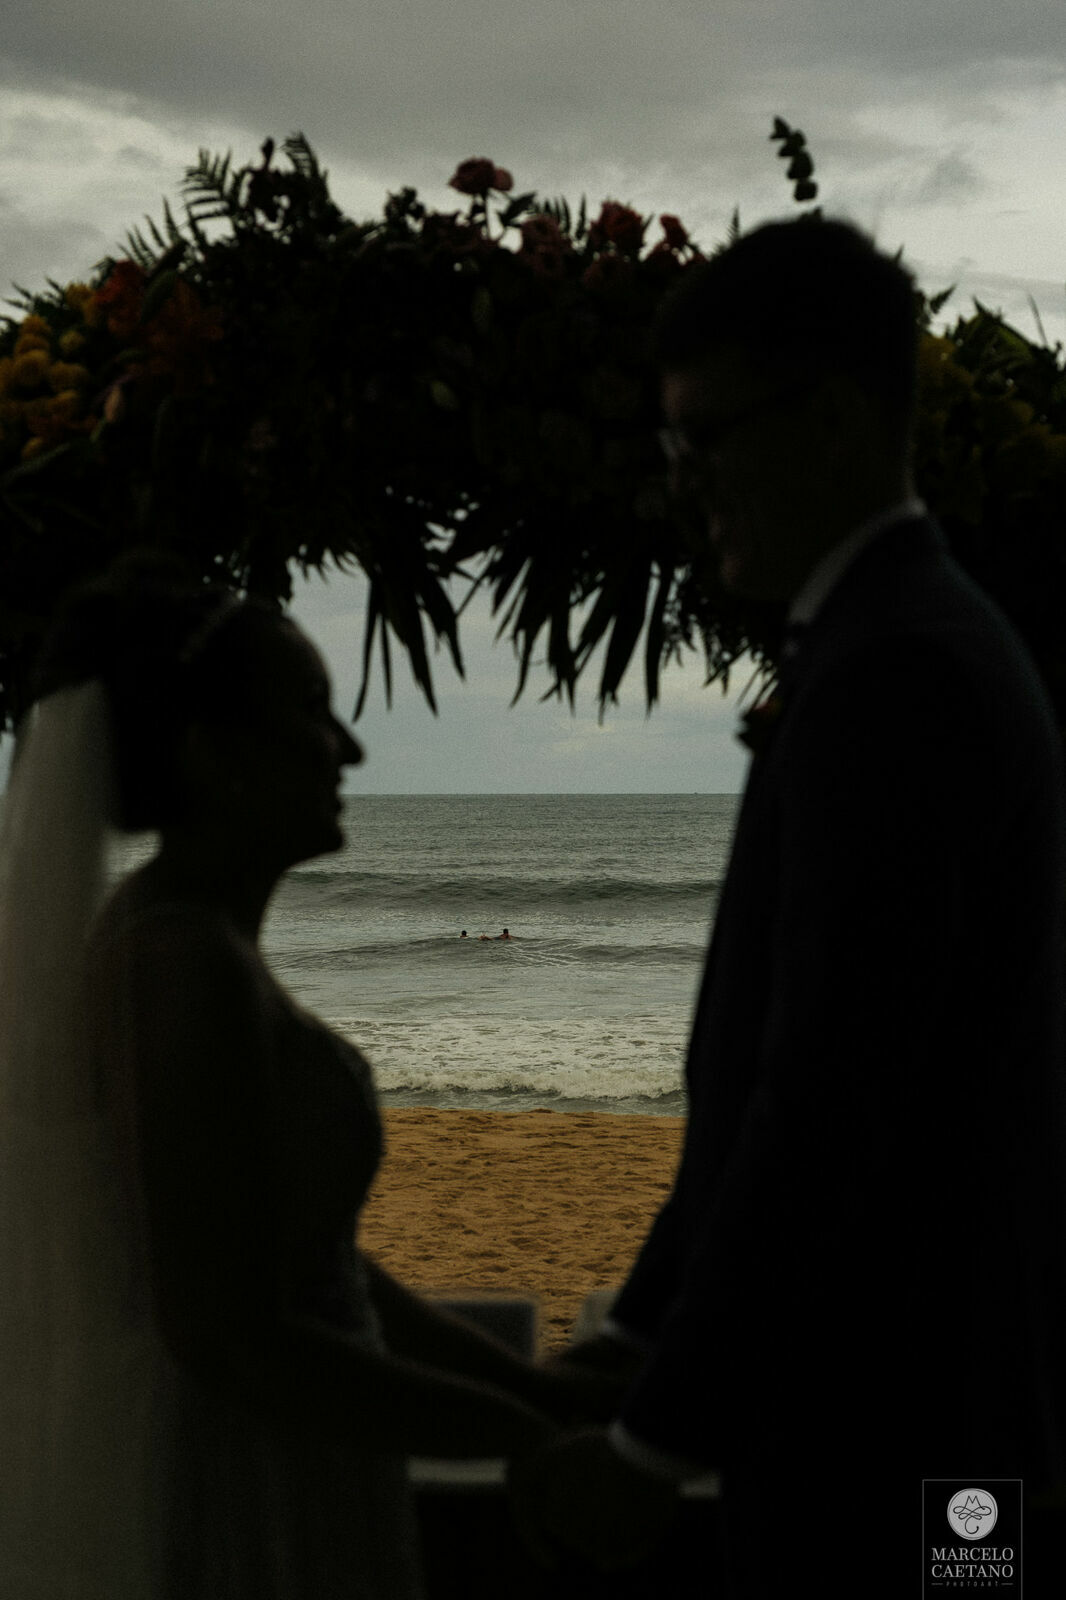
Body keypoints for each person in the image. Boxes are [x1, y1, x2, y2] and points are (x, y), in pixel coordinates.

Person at [510, 218, 1066, 1594]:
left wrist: (652, 1446)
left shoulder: (897, 677)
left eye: (704, 439)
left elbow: (824, 1104)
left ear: (826, 418)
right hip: (916, 1409)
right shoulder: (903, 642)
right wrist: (641, 1330)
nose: (684, 486)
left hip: (905, 1427)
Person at [0, 560, 600, 1598]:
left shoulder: (187, 942)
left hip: (289, 1450)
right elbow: (232, 1336)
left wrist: (533, 1395)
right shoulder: (183, 965)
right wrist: (515, 1433)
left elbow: (311, 1262)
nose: (352, 749)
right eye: (316, 715)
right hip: (247, 1472)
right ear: (215, 757)